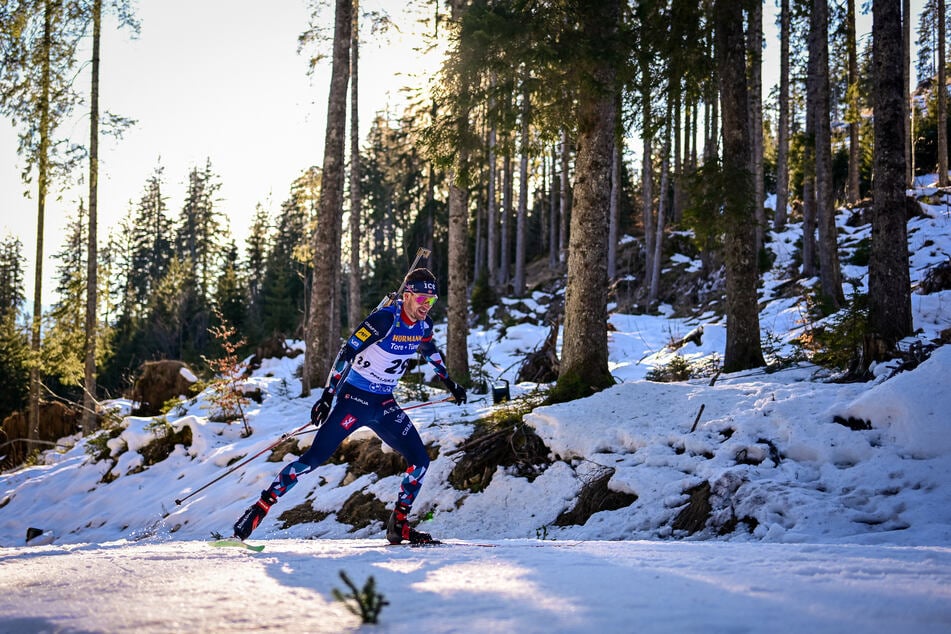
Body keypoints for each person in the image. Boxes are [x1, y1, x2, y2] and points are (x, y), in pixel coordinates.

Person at [233, 267, 467, 544]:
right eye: (421, 299)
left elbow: (429, 351)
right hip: (353, 399)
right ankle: (257, 510)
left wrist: (450, 382)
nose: (426, 306)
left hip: (384, 403)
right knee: (313, 460)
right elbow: (348, 352)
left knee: (420, 462)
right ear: (406, 296)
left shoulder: (423, 326)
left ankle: (398, 526)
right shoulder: (384, 320)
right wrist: (328, 395)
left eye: (432, 301)